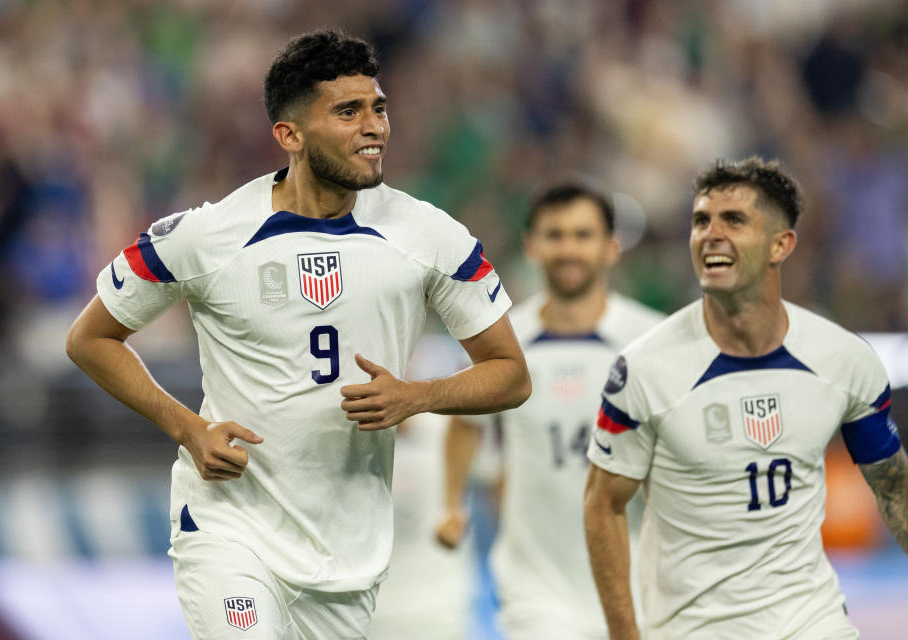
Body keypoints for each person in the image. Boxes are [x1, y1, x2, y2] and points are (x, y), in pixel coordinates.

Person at [65, 30, 530, 640]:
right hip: (232, 531)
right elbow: (90, 339)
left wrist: (416, 396)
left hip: (348, 557)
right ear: (289, 136)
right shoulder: (211, 234)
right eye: (348, 112)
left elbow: (512, 374)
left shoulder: (429, 236)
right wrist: (187, 427)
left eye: (379, 108)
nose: (375, 127)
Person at [583, 156, 908, 640]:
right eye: (700, 221)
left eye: (733, 220)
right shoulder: (644, 371)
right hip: (693, 629)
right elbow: (602, 506)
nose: (710, 234)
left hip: (811, 621)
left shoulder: (844, 360)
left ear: (782, 244)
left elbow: (893, 487)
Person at [435, 182, 663, 639]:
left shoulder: (652, 343)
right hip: (534, 589)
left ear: (611, 247)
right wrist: (451, 503)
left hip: (639, 581)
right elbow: (464, 421)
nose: (568, 249)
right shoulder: (504, 346)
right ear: (531, 246)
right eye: (555, 235)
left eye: (583, 235)